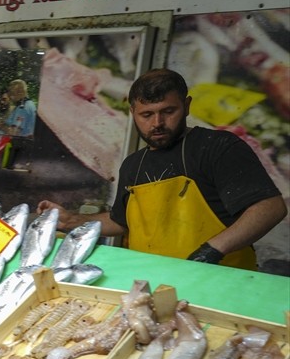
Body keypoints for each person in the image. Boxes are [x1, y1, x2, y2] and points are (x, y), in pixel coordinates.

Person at [39, 68, 285, 270]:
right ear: (132, 112)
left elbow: (270, 207)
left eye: (168, 111)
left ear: (186, 106)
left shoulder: (217, 147)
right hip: (151, 278)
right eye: (147, 114)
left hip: (219, 279)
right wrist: (73, 220)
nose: (157, 124)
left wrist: (211, 251)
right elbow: (122, 222)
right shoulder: (134, 165)